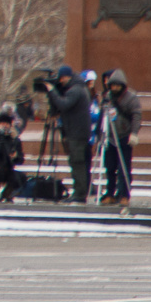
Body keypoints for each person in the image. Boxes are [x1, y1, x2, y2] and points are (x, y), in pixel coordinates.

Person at [40, 66, 93, 203]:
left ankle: (80, 194)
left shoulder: (75, 90)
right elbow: (60, 107)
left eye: (61, 78)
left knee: (77, 162)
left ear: (66, 77)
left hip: (77, 132)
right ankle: (79, 192)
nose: (61, 81)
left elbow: (63, 105)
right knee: (76, 162)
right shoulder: (78, 87)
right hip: (76, 131)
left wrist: (52, 91)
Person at [99, 70, 141, 205]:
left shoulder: (131, 98)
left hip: (124, 136)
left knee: (124, 168)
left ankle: (124, 194)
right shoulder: (107, 98)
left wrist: (134, 133)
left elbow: (136, 116)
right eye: (112, 86)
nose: (114, 88)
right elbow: (103, 115)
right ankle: (110, 193)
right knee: (110, 167)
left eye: (117, 86)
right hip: (110, 137)